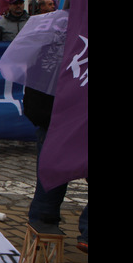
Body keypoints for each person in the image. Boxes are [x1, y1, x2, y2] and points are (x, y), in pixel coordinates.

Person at [25, 86, 88, 252]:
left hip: (53, 113)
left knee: (50, 178)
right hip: (54, 113)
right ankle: (43, 229)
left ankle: (42, 229)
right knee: (50, 179)